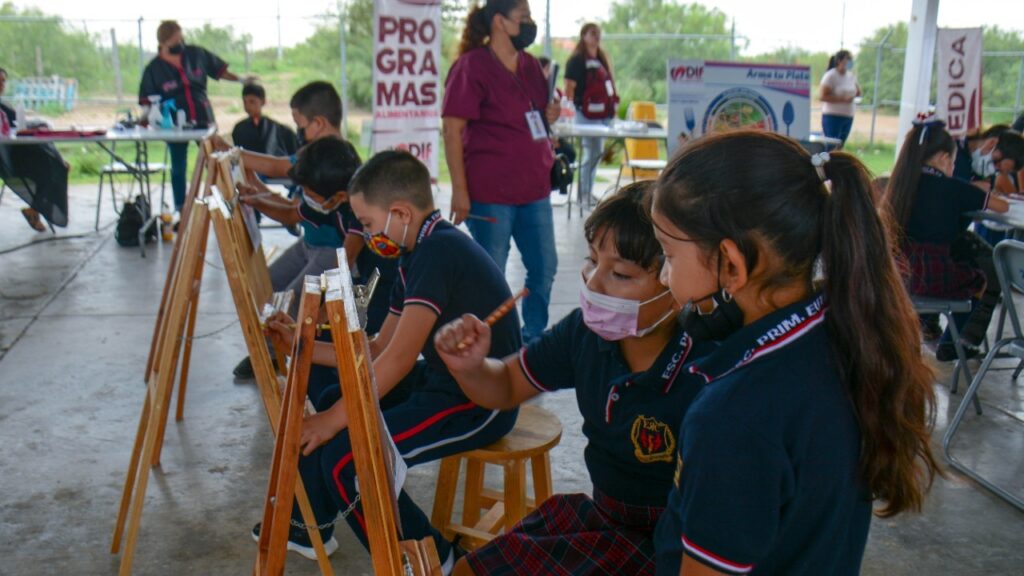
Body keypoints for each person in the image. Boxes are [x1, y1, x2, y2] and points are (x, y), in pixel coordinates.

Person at [651, 131, 939, 575]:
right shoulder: (843, 333)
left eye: (669, 254)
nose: (664, 275)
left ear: (732, 263)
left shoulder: (730, 418)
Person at [434, 182, 714, 576]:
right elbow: (508, 385)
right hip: (605, 519)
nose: (594, 283)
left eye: (619, 273)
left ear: (678, 280)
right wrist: (470, 367)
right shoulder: (585, 334)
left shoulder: (708, 365)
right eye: (591, 260)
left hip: (678, 542)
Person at [258, 150, 521, 570]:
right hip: (445, 381)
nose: (365, 234)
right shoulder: (415, 251)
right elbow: (378, 347)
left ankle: (438, 559)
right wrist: (300, 346)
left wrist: (332, 422)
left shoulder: (438, 252)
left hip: (481, 399)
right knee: (335, 407)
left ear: (399, 212)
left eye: (366, 223)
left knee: (350, 461)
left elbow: (397, 360)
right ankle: (310, 527)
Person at [225, 81, 396, 380]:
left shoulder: (345, 191)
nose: (298, 133)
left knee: (297, 307)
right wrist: (254, 197)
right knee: (269, 289)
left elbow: (347, 258)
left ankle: (290, 353)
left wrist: (321, 313)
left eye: (300, 126)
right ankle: (280, 350)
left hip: (350, 270)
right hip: (317, 251)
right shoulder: (316, 172)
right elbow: (294, 210)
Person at [442, 0, 560, 344]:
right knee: (490, 276)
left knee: (544, 268)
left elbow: (535, 116)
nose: (530, 25)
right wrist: (459, 190)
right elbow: (452, 130)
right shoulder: (472, 66)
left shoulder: (531, 66)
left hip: (535, 189)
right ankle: (493, 344)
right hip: (490, 194)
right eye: (522, 18)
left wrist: (549, 113)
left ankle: (532, 339)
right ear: (499, 22)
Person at [884, 116, 1009, 361]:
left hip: (897, 273)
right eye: (952, 161)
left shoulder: (899, 185)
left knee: (963, 253)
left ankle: (925, 328)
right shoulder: (955, 188)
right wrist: (975, 188)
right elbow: (1002, 207)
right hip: (931, 278)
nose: (953, 167)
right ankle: (958, 342)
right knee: (984, 278)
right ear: (943, 158)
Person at [139, 20, 243, 214]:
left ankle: (223, 205)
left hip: (203, 118)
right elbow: (147, 102)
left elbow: (220, 71)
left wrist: (241, 80)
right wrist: (144, 118)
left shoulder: (196, 54)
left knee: (215, 161)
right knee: (178, 165)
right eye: (175, 41)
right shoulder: (153, 69)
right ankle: (182, 209)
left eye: (181, 39)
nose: (180, 43)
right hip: (175, 124)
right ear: (163, 43)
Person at [0, 66, 69, 231]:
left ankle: (35, 210)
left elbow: (17, 124)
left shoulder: (4, 106)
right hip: (8, 159)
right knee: (57, 167)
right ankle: (35, 209)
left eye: (3, 81)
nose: (1, 84)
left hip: (19, 152)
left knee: (58, 165)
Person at [565, 23, 618, 204]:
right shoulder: (577, 60)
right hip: (584, 114)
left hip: (603, 114)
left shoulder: (603, 59)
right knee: (588, 152)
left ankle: (588, 191)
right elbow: (569, 86)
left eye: (598, 34)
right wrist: (571, 106)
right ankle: (582, 193)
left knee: (597, 153)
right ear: (583, 35)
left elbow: (610, 83)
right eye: (592, 33)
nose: (596, 37)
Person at [231, 83, 299, 158]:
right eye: (245, 102)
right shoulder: (239, 129)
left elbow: (294, 158)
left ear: (263, 101)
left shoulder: (283, 131)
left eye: (252, 101)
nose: (247, 106)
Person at [818, 49, 860, 148]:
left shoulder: (851, 76)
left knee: (840, 146)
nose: (850, 61)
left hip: (848, 116)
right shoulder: (830, 75)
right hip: (832, 116)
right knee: (831, 146)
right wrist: (843, 99)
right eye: (848, 59)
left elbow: (857, 92)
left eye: (851, 59)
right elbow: (823, 96)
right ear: (839, 61)